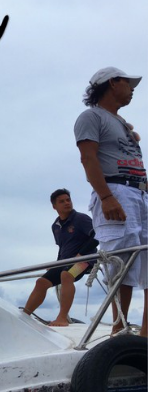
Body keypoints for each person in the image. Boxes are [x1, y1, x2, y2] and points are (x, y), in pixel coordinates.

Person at [74, 66, 147, 338]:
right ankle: (119, 332)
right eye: (129, 84)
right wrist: (106, 197)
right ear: (112, 83)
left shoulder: (122, 123)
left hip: (139, 193)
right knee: (121, 261)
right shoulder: (91, 116)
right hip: (116, 190)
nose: (132, 90)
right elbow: (88, 158)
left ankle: (145, 336)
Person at [23, 189, 98, 326]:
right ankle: (24, 316)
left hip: (85, 261)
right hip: (65, 262)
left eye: (68, 200)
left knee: (66, 275)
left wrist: (81, 254)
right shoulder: (55, 226)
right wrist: (56, 264)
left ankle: (62, 318)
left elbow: (97, 236)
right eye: (62, 201)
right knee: (41, 282)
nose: (66, 203)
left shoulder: (81, 219)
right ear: (54, 206)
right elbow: (62, 247)